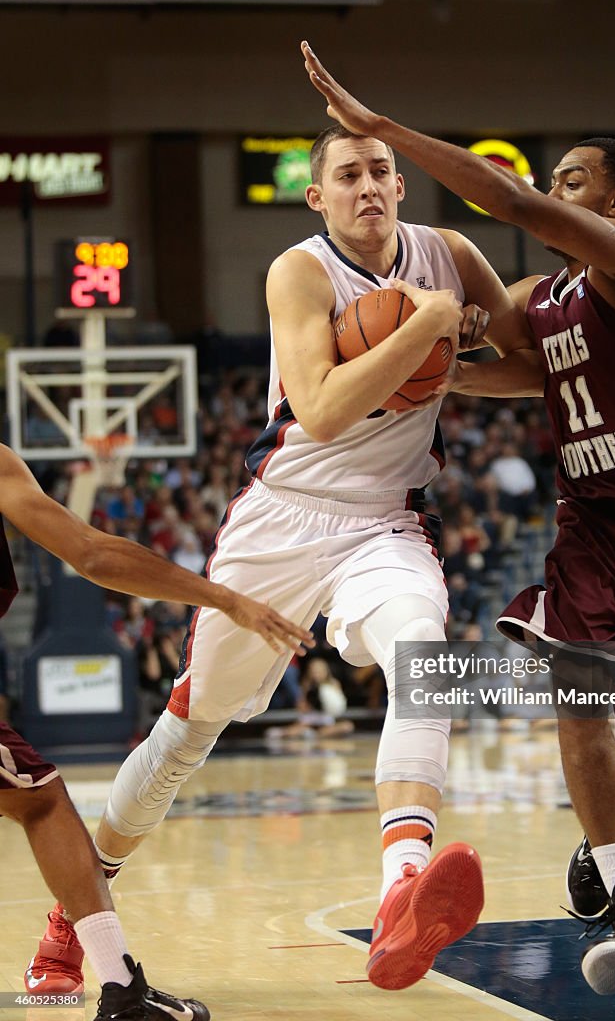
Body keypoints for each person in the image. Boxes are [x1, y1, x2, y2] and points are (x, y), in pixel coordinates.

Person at [29, 123, 543, 996]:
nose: (369, 185)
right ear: (319, 197)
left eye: (381, 169)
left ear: (402, 185)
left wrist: (448, 369)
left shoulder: (449, 254)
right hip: (279, 524)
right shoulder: (298, 269)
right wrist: (420, 329)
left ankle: (401, 890)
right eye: (349, 174)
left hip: (385, 520)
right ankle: (73, 916)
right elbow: (323, 408)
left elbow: (531, 369)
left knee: (425, 652)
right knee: (188, 732)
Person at [301, 41, 615, 995]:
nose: (550, 191)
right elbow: (486, 367)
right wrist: (411, 348)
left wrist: (379, 129)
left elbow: (506, 203)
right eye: (552, 179)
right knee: (581, 704)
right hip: (595, 530)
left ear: (614, 205)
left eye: (571, 182)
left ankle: (613, 837)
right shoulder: (538, 300)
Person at [0, 443, 312, 1019]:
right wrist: (222, 598)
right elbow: (92, 554)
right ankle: (120, 991)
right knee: (43, 803)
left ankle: (74, 954)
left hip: (375, 527)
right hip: (292, 527)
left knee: (40, 795)